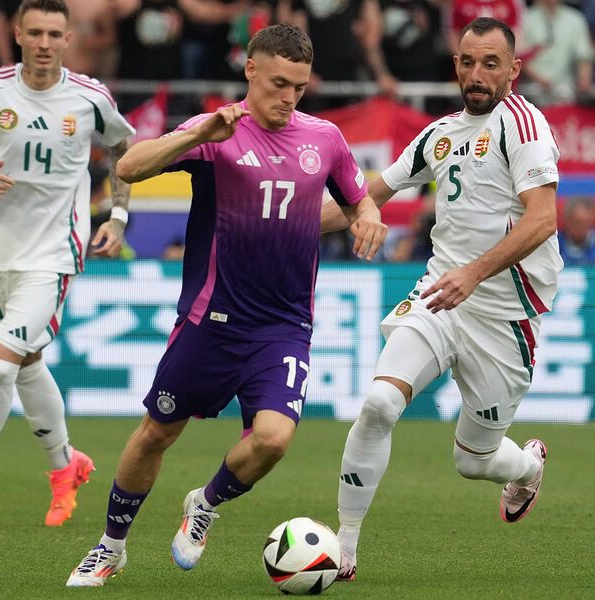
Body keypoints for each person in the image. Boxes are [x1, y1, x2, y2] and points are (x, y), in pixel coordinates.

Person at [66, 23, 387, 587]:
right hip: (211, 321)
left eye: (299, 88)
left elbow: (359, 200)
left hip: (284, 326)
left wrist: (369, 217)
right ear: (251, 70)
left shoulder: (325, 139)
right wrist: (197, 134)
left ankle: (205, 504)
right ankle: (111, 547)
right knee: (156, 433)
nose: (288, 98)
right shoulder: (217, 131)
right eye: (279, 84)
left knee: (273, 440)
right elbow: (130, 166)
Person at [321, 17, 562, 581]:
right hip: (439, 295)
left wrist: (474, 274)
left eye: (491, 64)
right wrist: (274, 226)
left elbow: (543, 219)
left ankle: (526, 467)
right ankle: (344, 549)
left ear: (513, 69)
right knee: (379, 404)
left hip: (504, 317)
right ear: (455, 65)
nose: (477, 74)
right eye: (468, 62)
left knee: (472, 460)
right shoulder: (439, 134)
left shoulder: (523, 124)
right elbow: (364, 198)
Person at [0, 0, 134, 526]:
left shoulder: (90, 97)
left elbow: (124, 147)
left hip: (51, 256)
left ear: (69, 37)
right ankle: (65, 467)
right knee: (26, 361)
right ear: (17, 34)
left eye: (54, 34)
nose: (44, 43)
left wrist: (117, 215)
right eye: (35, 33)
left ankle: (63, 467)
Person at [557, 196, 595, 265]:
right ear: (567, 221)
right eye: (578, 223)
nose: (583, 229)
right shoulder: (555, 245)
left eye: (587, 223)